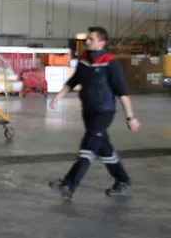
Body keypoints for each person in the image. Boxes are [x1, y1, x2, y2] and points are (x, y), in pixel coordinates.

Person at [49, 26, 140, 200]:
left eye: (91, 39)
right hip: (88, 111)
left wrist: (131, 117)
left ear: (102, 42)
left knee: (88, 146)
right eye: (87, 38)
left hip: (104, 111)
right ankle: (122, 179)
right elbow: (73, 81)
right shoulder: (84, 62)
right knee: (104, 148)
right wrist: (58, 97)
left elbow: (122, 93)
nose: (87, 41)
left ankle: (68, 185)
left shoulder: (111, 64)